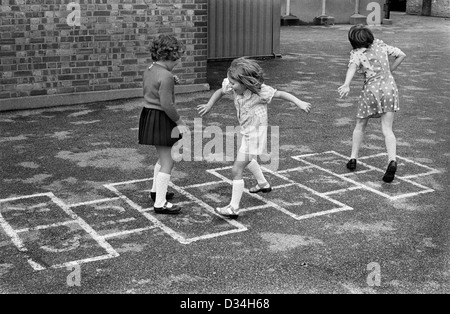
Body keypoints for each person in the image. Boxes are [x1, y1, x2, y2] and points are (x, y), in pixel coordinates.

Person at [198, 57, 311, 219]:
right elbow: (220, 92)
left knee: (236, 169)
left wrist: (299, 102)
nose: (230, 85)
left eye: (233, 83)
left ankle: (233, 208)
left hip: (256, 135)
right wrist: (209, 105)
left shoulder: (260, 91)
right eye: (229, 82)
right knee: (248, 159)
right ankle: (263, 184)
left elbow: (280, 94)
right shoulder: (233, 85)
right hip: (247, 131)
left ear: (246, 83)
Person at [338, 24, 406, 183]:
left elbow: (352, 68)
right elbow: (401, 54)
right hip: (390, 89)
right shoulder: (380, 45)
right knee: (387, 129)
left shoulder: (357, 53)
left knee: (360, 124)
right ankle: (392, 160)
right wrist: (390, 71)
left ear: (353, 41)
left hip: (371, 91)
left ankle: (353, 158)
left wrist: (347, 84)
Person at [139, 34, 189, 214]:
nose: (178, 61)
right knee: (168, 161)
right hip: (161, 117)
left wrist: (170, 77)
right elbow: (167, 104)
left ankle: (155, 192)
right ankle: (160, 203)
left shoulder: (151, 69)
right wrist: (180, 122)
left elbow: (155, 83)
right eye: (177, 57)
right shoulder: (166, 76)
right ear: (170, 55)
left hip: (149, 115)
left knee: (162, 156)